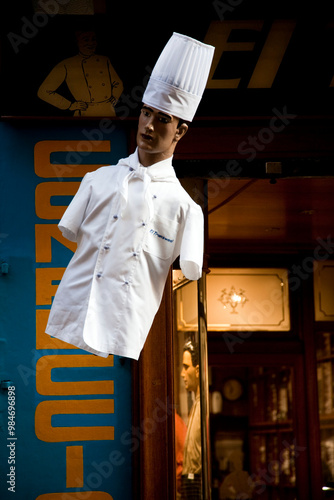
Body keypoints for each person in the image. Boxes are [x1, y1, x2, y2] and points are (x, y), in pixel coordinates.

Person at [45, 33, 214, 360]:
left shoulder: (187, 210)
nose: (149, 126)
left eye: (163, 119)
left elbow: (190, 270)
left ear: (180, 131)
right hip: (73, 311)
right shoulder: (96, 179)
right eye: (146, 113)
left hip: (125, 328)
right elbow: (70, 235)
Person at [37, 29, 123, 116]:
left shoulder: (104, 60)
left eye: (93, 39)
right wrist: (69, 105)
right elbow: (44, 91)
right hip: (84, 113)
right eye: (86, 40)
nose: (91, 43)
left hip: (107, 111)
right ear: (77, 42)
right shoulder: (66, 64)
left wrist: (115, 97)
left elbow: (118, 83)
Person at [180, 339, 202, 499]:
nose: (182, 373)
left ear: (197, 370)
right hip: (190, 481)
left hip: (197, 481)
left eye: (186, 367)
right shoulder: (197, 404)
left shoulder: (203, 407)